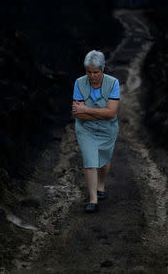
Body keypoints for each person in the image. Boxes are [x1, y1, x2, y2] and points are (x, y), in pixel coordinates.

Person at [72, 50, 120, 213]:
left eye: (95, 72)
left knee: (104, 160)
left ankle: (101, 185)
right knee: (90, 161)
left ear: (102, 70)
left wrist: (86, 109)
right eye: (89, 72)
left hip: (108, 129)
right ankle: (93, 199)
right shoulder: (79, 83)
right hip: (85, 129)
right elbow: (77, 114)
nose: (92, 76)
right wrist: (101, 113)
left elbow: (112, 113)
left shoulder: (113, 83)